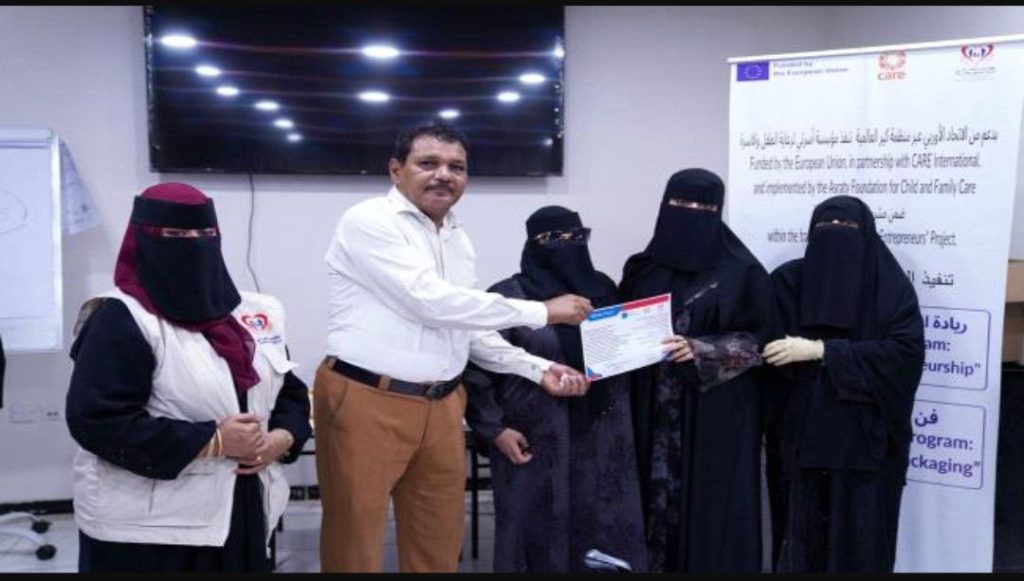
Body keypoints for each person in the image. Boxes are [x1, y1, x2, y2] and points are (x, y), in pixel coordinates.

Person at [315, 122, 594, 573]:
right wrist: (542, 311)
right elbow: (428, 301)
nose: (444, 175)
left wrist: (534, 367)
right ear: (396, 170)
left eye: (456, 167)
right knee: (355, 543)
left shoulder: (457, 238)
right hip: (368, 399)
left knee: (439, 542)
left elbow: (466, 325)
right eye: (428, 163)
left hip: (443, 403)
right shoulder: (368, 221)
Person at [65, 182, 312, 573]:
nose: (194, 245)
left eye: (204, 233)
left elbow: (289, 395)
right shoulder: (121, 318)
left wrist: (279, 440)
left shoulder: (253, 312)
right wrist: (214, 441)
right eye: (175, 235)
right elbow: (97, 420)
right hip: (148, 532)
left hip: (241, 511)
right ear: (142, 239)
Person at [462, 205, 648, 573]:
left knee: (604, 528)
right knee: (536, 530)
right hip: (533, 440)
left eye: (575, 237)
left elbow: (624, 352)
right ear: (531, 244)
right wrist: (495, 429)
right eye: (552, 239)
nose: (566, 246)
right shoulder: (509, 297)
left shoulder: (604, 289)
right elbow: (476, 369)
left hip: (604, 437)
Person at [761, 195, 924, 573]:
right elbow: (762, 348)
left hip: (864, 446)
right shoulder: (787, 282)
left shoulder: (889, 288)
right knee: (799, 545)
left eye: (847, 227)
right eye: (825, 227)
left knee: (861, 546)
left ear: (866, 233)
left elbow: (905, 355)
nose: (835, 235)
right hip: (799, 440)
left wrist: (823, 351)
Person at [619, 168, 771, 572]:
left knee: (710, 510)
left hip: (713, 414)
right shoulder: (642, 269)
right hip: (650, 407)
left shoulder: (742, 272)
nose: (689, 211)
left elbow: (762, 343)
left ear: (718, 211)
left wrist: (703, 350)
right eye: (680, 203)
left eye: (702, 206)